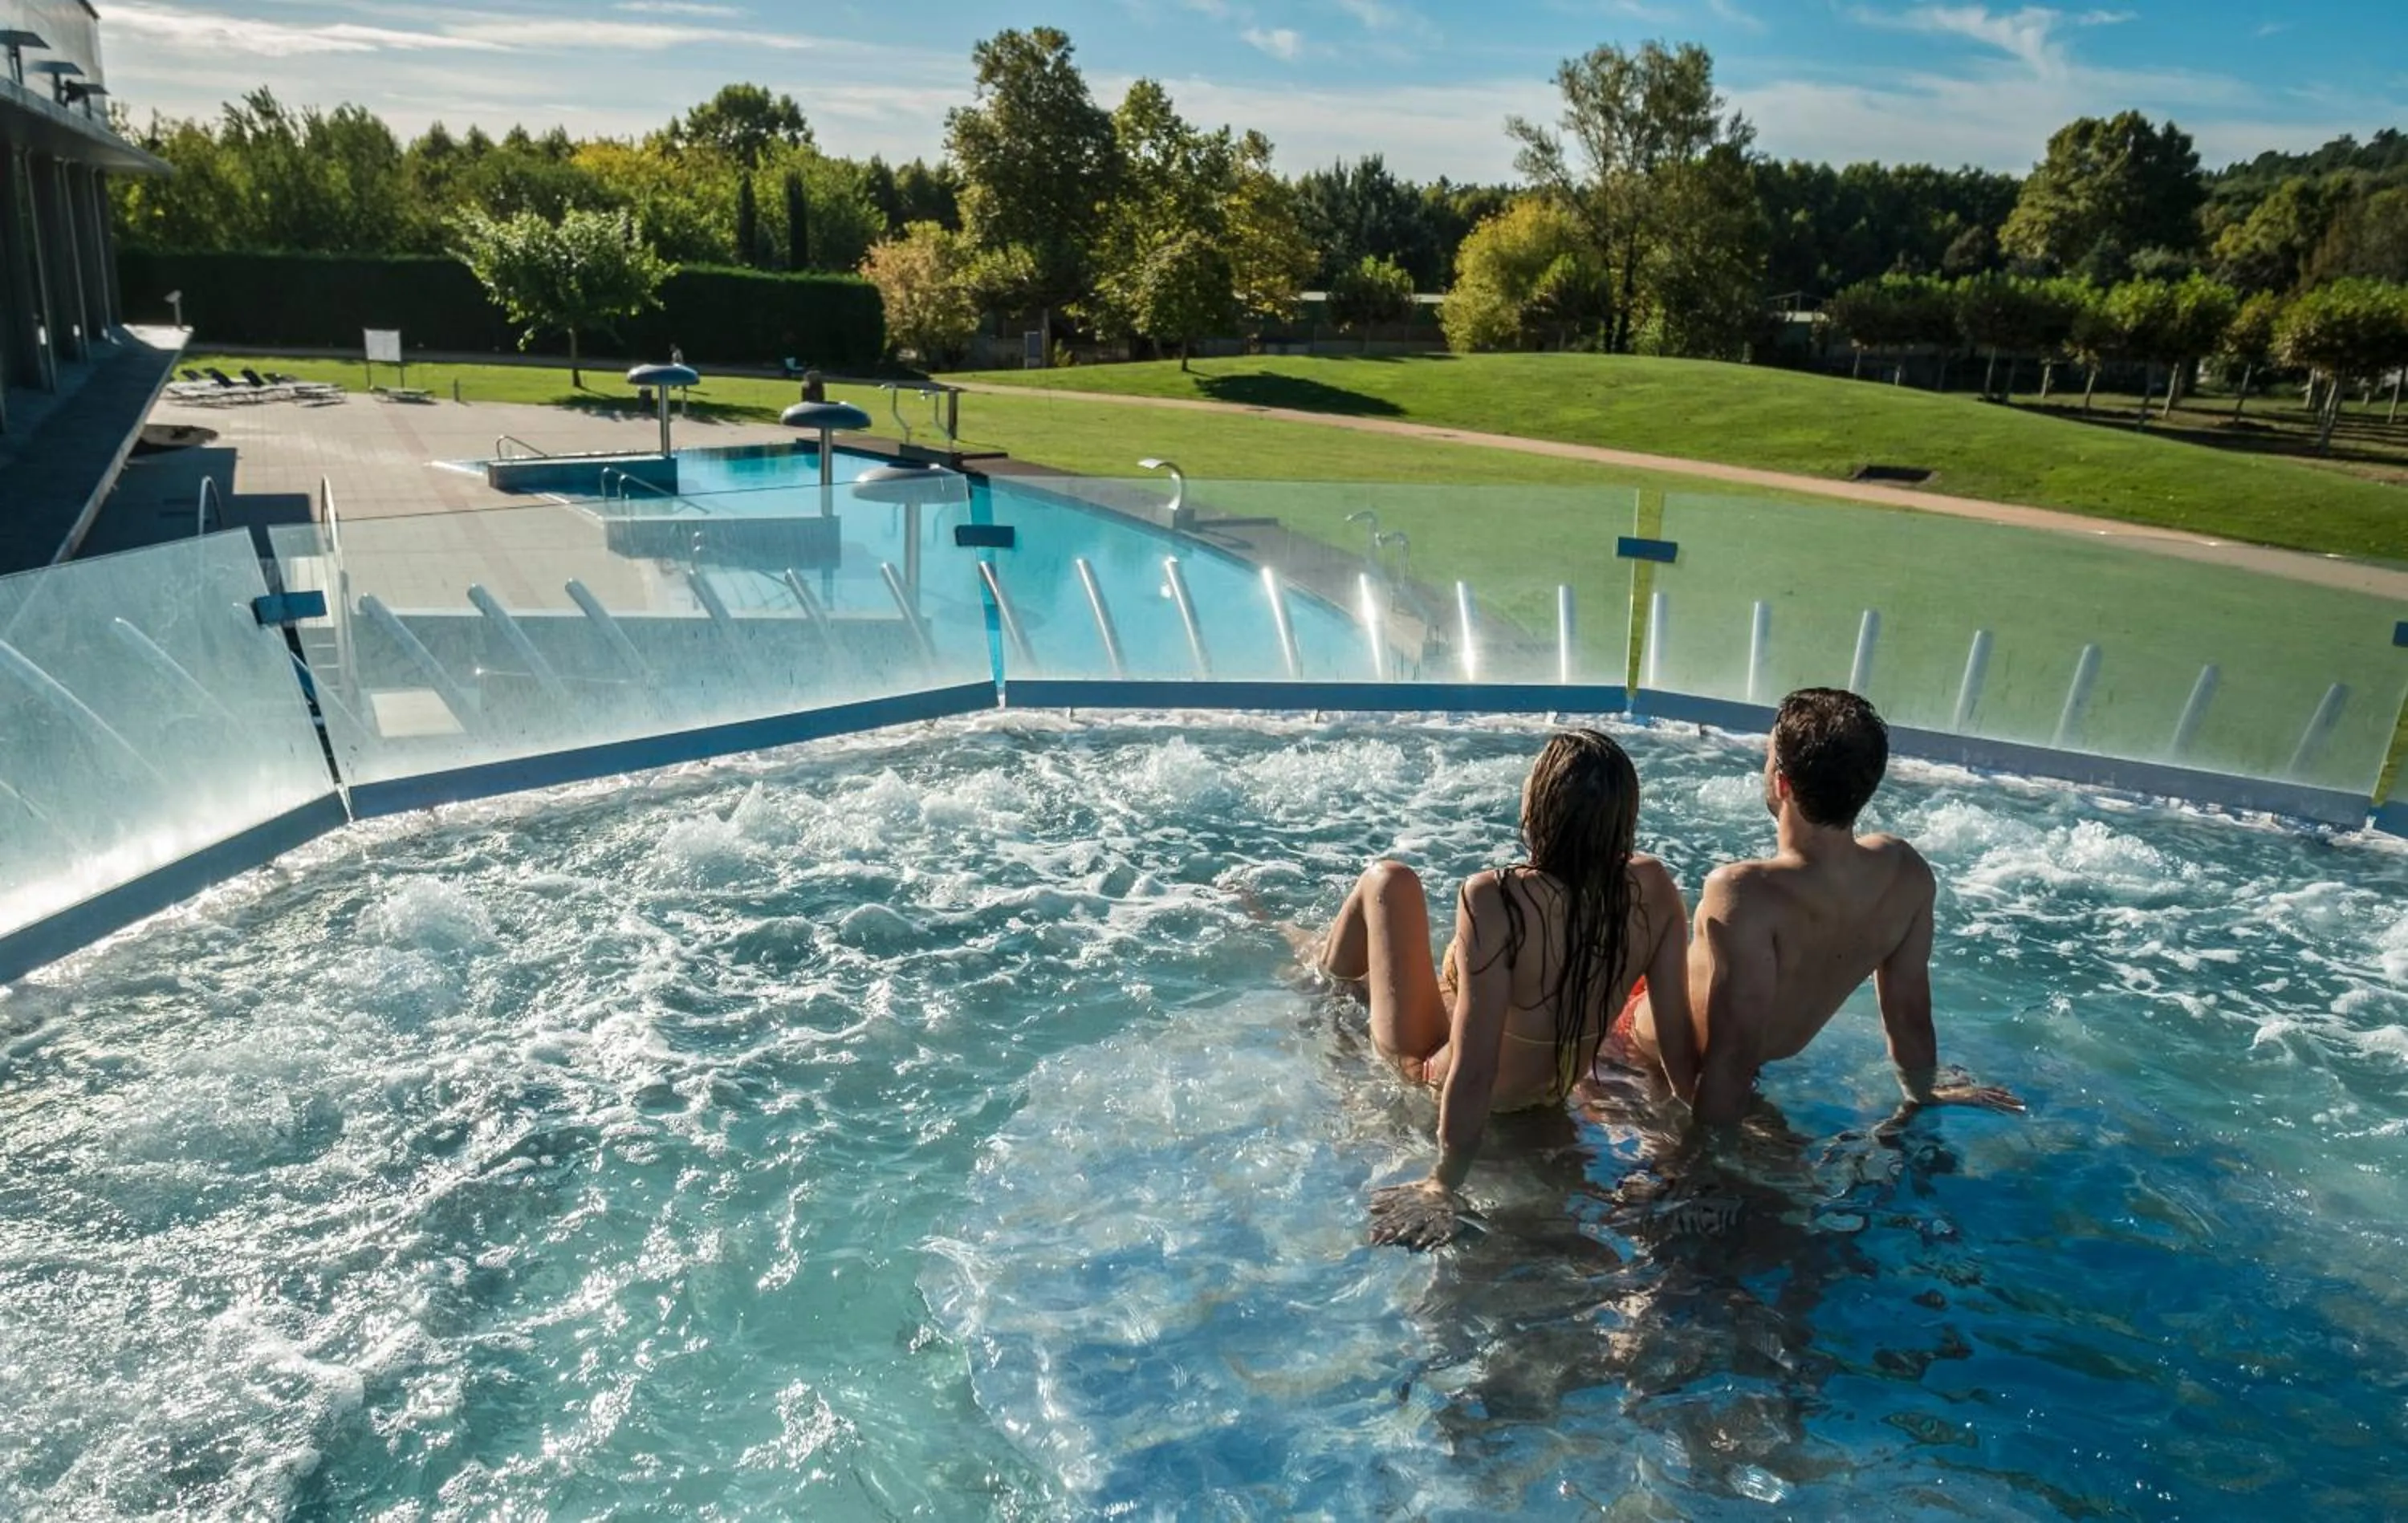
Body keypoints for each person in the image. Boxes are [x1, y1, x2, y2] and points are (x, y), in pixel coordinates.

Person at [1313, 729, 1698, 1249]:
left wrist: (1443, 1181)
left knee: (1388, 880)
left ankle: (1319, 976)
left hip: (1433, 1068)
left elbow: (1473, 1067)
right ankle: (1330, 964)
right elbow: (1678, 1043)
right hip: (1545, 1088)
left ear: (1535, 807)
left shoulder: (1496, 896)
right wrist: (1695, 1152)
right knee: (1463, 976)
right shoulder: (1652, 886)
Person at [1621, 688, 2023, 1127]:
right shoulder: (1905, 875)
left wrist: (1701, 1164)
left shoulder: (1744, 892)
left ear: (1782, 782)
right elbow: (1908, 1017)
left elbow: (1730, 1053)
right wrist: (1923, 1094)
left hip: (1641, 1059)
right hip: (1734, 1072)